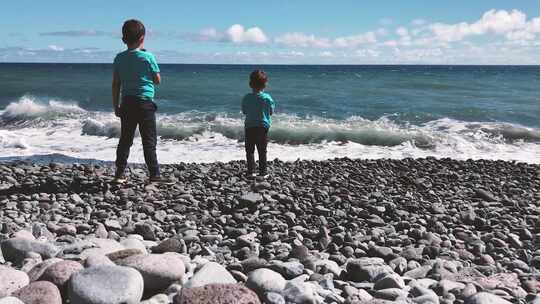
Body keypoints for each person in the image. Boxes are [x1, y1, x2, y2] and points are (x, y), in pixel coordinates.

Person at [112, 19, 163, 183]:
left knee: (125, 140)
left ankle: (119, 173)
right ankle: (154, 174)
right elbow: (157, 80)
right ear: (143, 38)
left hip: (127, 102)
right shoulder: (148, 57)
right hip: (145, 103)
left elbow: (116, 84)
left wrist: (116, 105)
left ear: (123, 39)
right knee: (149, 140)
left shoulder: (119, 58)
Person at [241, 70, 276, 177]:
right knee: (262, 150)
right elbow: (271, 112)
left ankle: (251, 172)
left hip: (249, 126)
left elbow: (244, 111)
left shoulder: (246, 97)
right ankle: (263, 172)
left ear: (250, 84)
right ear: (265, 84)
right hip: (262, 126)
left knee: (250, 150)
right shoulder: (267, 98)